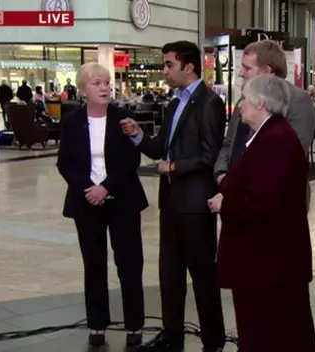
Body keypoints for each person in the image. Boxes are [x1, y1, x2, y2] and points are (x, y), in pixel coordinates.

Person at [120, 41, 227, 352]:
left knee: (203, 277)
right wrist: (137, 135)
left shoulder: (209, 103)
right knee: (170, 276)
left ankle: (213, 341)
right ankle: (172, 335)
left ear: (188, 66)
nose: (164, 71)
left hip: (195, 205)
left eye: (169, 65)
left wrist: (174, 166)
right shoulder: (173, 103)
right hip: (170, 202)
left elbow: (209, 154)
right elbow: (159, 148)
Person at [207, 74, 315, 352]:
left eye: (244, 97)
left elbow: (263, 200)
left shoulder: (276, 138)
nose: (241, 104)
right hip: (265, 262)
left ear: (260, 102)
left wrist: (226, 204)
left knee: (270, 333)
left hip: (267, 264)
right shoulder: (270, 135)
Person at [56, 63, 148, 348]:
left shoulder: (123, 119)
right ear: (83, 90)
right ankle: (97, 323)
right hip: (87, 201)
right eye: (97, 83)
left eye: (107, 82)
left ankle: (135, 322)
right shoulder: (71, 122)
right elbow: (65, 163)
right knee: (94, 263)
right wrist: (89, 189)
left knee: (129, 262)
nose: (105, 87)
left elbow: (131, 161)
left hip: (122, 199)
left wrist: (106, 187)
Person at [213, 40, 315, 208]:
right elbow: (229, 143)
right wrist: (221, 174)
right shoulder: (243, 100)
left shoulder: (298, 101)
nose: (240, 73)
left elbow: (289, 156)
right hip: (236, 199)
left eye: (247, 68)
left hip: (276, 204)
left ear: (267, 71)